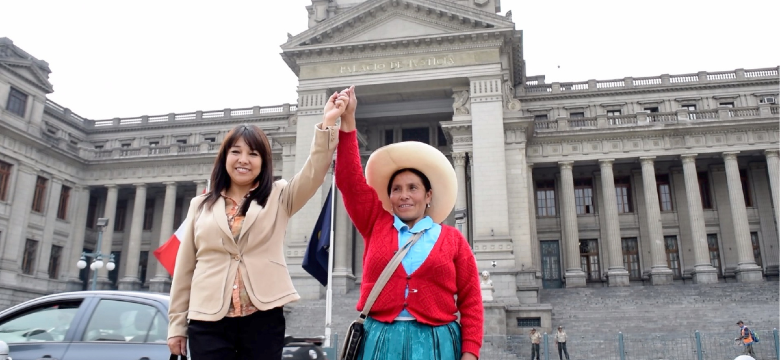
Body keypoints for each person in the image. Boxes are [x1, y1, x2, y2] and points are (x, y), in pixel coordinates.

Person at [166, 91, 348, 360]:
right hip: (208, 320)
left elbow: (314, 171)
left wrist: (328, 123)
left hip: (262, 318)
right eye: (236, 151)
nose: (243, 160)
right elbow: (185, 271)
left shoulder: (280, 196)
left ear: (263, 162)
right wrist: (177, 325)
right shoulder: (200, 205)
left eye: (253, 153)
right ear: (224, 157)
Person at [334, 86, 483, 360]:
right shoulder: (375, 224)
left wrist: (470, 352)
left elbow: (471, 300)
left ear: (428, 196)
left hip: (438, 342)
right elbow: (349, 180)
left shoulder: (452, 240)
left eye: (413, 188)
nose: (404, 195)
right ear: (389, 196)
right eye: (397, 189)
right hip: (381, 340)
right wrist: (348, 121)